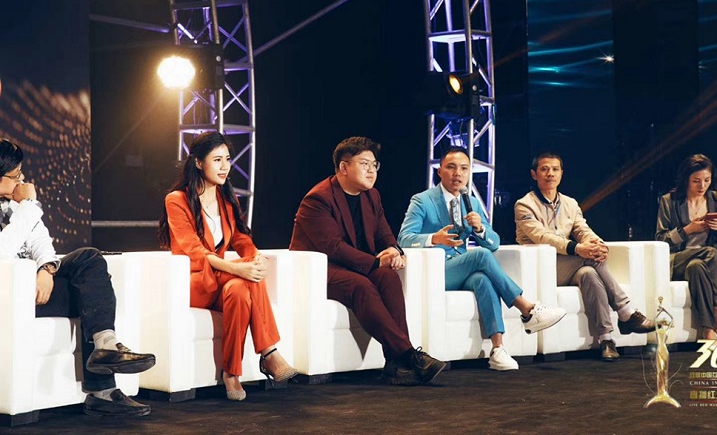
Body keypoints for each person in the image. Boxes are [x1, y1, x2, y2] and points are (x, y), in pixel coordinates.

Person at [0, 139, 156, 417]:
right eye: (15, 176)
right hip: (9, 297)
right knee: (92, 296)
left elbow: (41, 241)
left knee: (89, 259)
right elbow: (2, 253)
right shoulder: (24, 207)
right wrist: (29, 205)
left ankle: (106, 348)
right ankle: (103, 392)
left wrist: (46, 270)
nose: (21, 181)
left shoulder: (15, 205)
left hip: (35, 290)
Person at [289, 137, 445, 385]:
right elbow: (334, 247)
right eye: (364, 164)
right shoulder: (318, 199)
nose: (372, 170)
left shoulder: (371, 196)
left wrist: (393, 251)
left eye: (374, 165)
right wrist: (375, 262)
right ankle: (408, 355)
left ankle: (395, 365)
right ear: (343, 167)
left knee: (388, 278)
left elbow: (383, 233)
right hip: (320, 270)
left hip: (356, 266)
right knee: (361, 285)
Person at [398, 146, 566, 371]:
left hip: (462, 268)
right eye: (451, 167)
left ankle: (498, 349)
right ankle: (527, 308)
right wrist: (433, 238)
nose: (458, 173)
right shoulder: (422, 200)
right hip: (435, 270)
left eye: (464, 169)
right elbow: (404, 238)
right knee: (480, 255)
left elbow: (494, 242)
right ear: (440, 171)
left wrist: (480, 229)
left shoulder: (472, 202)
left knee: (482, 280)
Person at [157, 131, 297, 401]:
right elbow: (194, 251)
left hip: (222, 283)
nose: (225, 166)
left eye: (228, 159)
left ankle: (231, 373)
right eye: (217, 160)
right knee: (243, 275)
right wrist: (238, 267)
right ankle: (269, 352)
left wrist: (254, 256)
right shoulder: (177, 200)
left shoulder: (226, 199)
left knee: (239, 291)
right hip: (194, 283)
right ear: (199, 163)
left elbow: (241, 238)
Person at [514, 152, 654, 361]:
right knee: (588, 258)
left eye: (555, 169)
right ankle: (626, 312)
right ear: (534, 174)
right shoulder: (524, 204)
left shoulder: (570, 203)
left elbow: (583, 230)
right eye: (544, 169)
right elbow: (542, 237)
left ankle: (606, 339)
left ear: (561, 173)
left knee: (589, 273)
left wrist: (598, 245)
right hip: (541, 268)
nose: (550, 174)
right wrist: (578, 248)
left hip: (569, 265)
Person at [656, 154, 717, 341]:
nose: (702, 186)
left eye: (707, 180)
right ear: (686, 179)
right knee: (710, 252)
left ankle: (708, 329)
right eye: (696, 181)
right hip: (677, 260)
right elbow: (660, 239)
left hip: (706, 266)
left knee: (697, 267)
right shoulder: (669, 201)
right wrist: (688, 230)